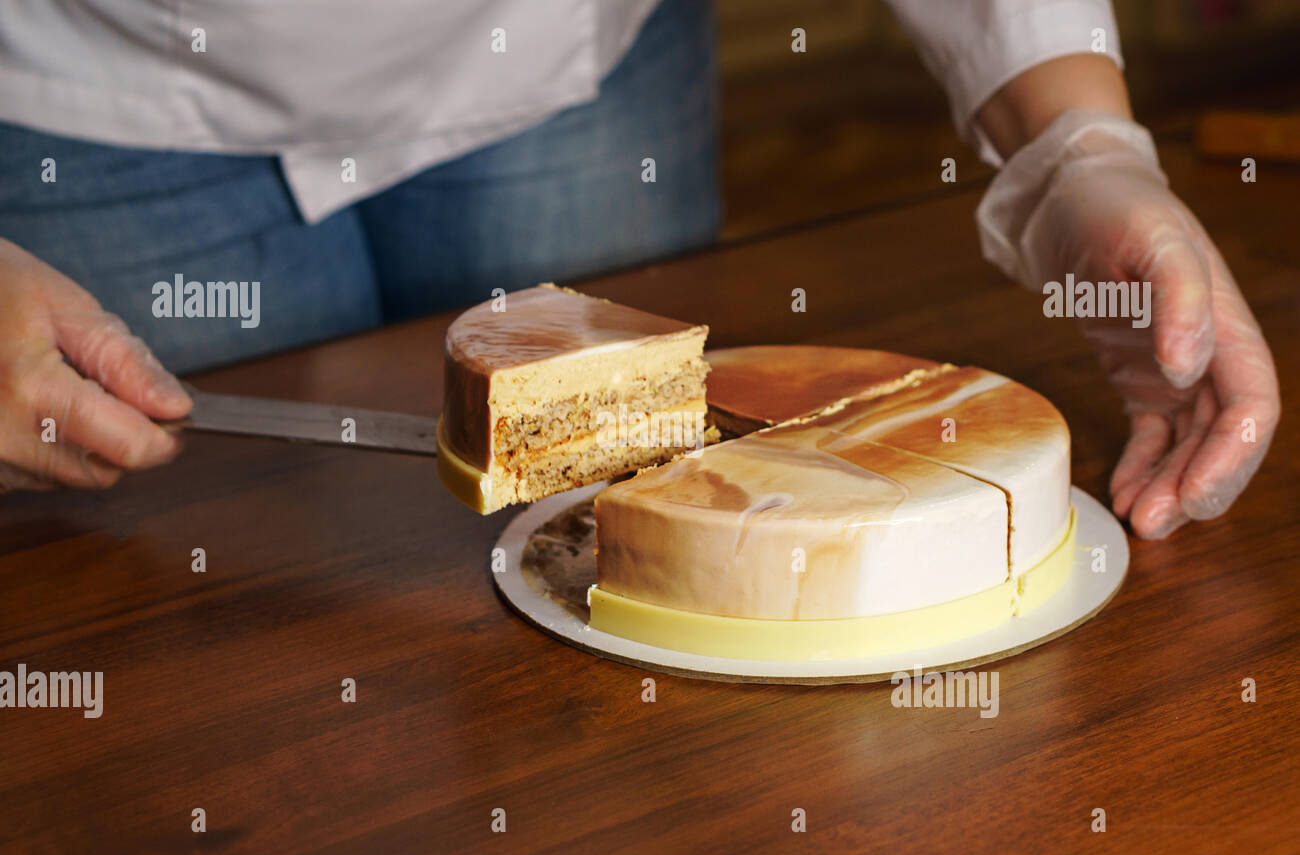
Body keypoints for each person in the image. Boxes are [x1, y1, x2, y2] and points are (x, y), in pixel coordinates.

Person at [0, 0, 1279, 541]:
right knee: (181, 582)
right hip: (106, 98)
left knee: (614, 554)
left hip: (565, 63)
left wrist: (1073, 150)